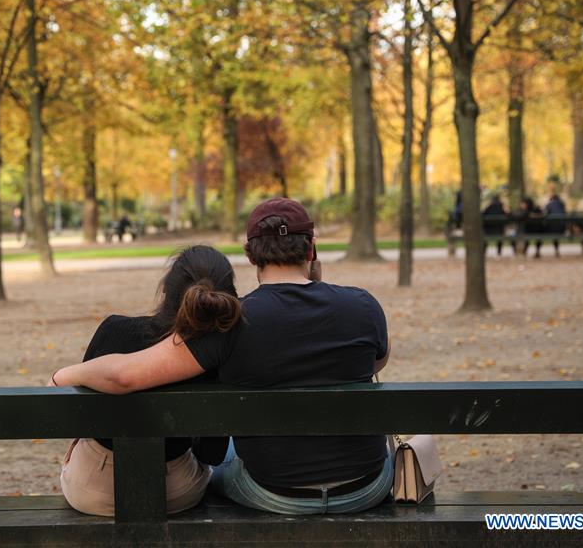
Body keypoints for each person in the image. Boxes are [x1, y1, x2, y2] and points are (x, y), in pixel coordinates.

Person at [51, 198, 392, 516]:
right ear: (311, 249)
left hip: (276, 492)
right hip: (365, 486)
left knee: (223, 459)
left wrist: (67, 374)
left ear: (251, 255)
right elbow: (376, 362)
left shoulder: (232, 321)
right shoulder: (363, 305)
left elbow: (124, 376)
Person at [56, 245, 238, 516]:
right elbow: (211, 454)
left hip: (92, 489)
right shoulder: (217, 354)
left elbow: (78, 416)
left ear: (166, 289)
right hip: (177, 493)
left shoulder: (113, 330)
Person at [482, 192, 508, 257]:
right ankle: (499, 251)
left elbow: (483, 215)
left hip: (488, 231)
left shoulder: (489, 208)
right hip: (499, 231)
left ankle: (484, 251)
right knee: (500, 235)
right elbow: (507, 217)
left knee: (484, 236)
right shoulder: (501, 208)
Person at [544, 192, 567, 257]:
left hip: (552, 229)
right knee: (555, 230)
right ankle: (557, 250)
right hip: (562, 229)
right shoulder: (562, 204)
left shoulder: (549, 204)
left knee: (540, 230)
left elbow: (545, 214)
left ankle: (537, 251)